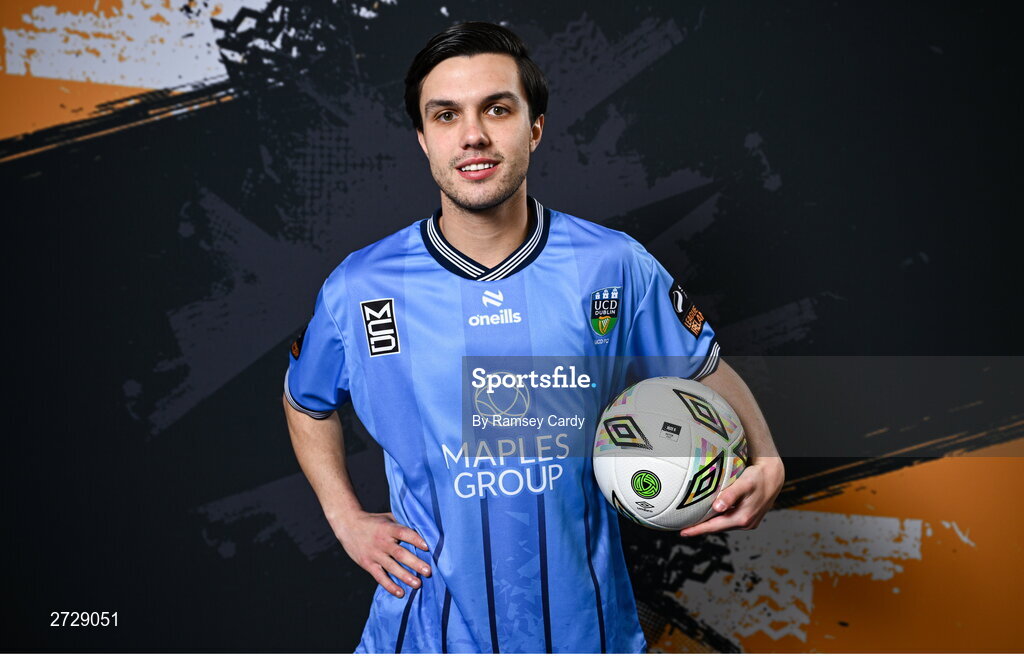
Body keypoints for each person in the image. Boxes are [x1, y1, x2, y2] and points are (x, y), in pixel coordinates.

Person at [282, 21, 784, 653]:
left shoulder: (611, 266)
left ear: (535, 127)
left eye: (498, 108)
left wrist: (766, 454)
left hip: (587, 630)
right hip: (426, 632)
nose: (473, 135)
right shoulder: (359, 288)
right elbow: (306, 401)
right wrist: (344, 517)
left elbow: (701, 368)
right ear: (423, 139)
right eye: (445, 115)